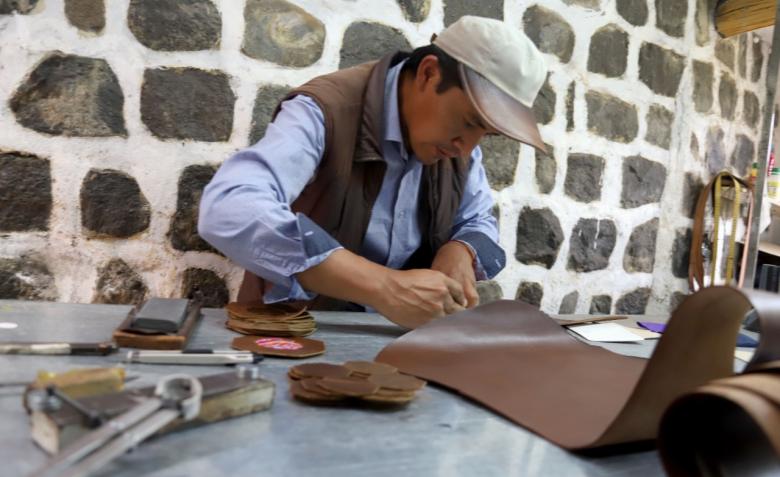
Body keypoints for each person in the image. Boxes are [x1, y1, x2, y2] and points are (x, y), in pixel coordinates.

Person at [198, 16, 548, 329]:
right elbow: (228, 207)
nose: (467, 148)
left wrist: (461, 250)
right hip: (290, 334)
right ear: (429, 73)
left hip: (400, 348)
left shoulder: (457, 145)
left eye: (485, 133)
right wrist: (384, 286)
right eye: (469, 122)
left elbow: (478, 219)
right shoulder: (324, 110)